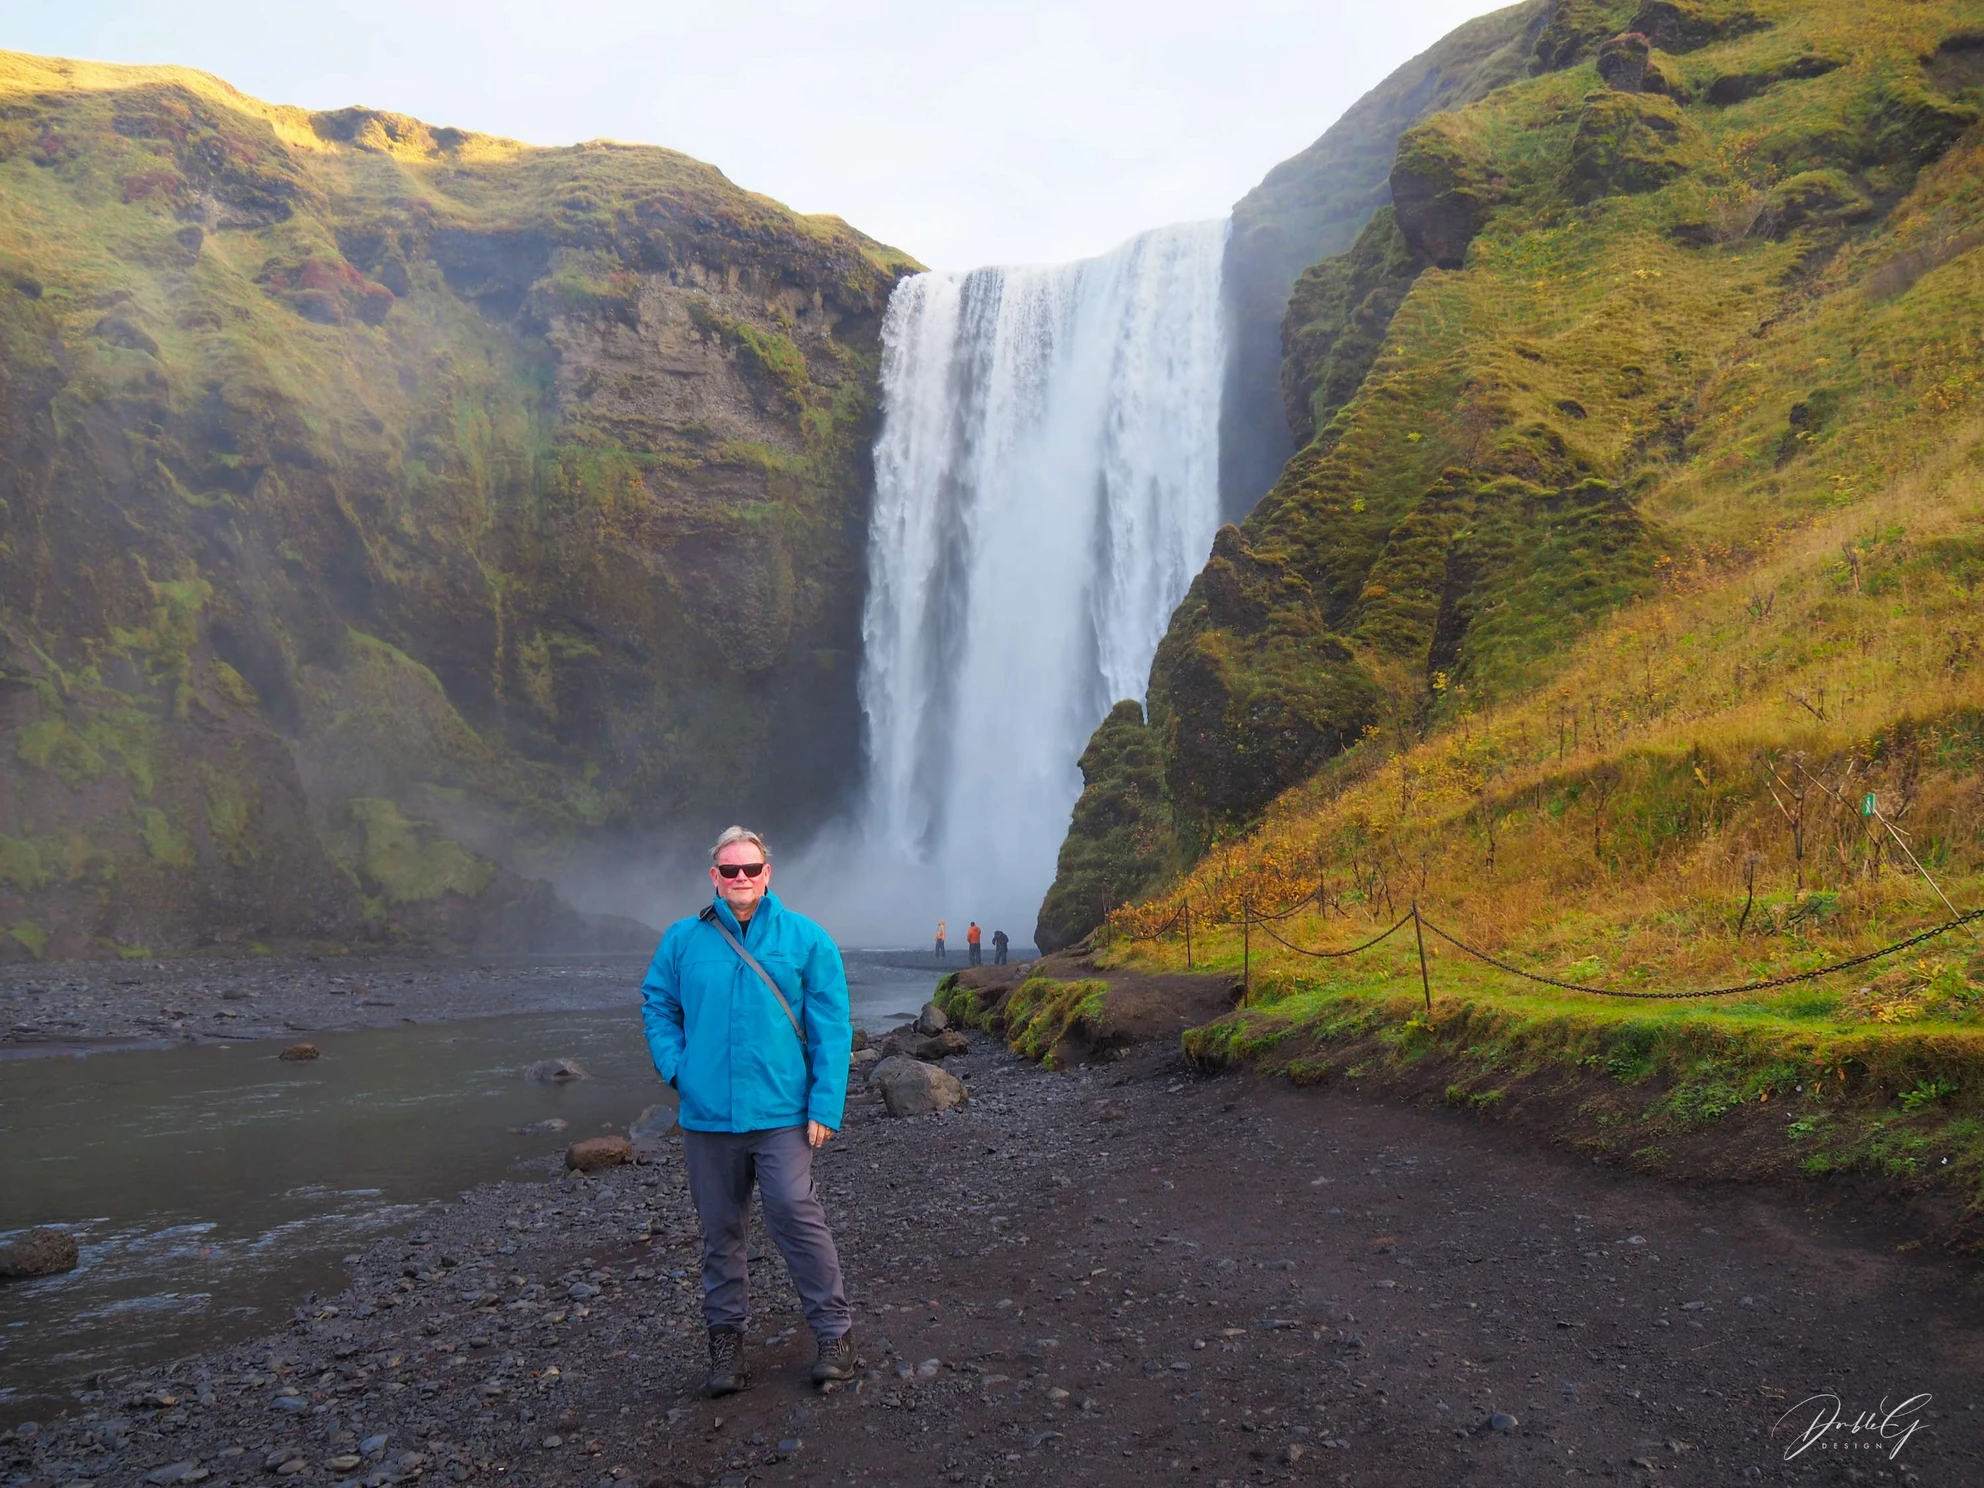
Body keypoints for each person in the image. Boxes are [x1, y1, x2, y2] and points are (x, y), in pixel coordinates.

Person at [640, 825, 857, 1396]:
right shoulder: (682, 940)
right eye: (730, 870)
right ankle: (725, 1349)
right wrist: (678, 1070)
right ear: (715, 876)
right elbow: (657, 1005)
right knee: (720, 1233)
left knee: (795, 1214)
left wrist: (825, 1104)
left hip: (783, 1112)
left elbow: (832, 1027)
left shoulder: (806, 938)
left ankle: (835, 1336)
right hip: (708, 1117)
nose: (741, 878)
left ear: (767, 875)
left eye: (751, 869)